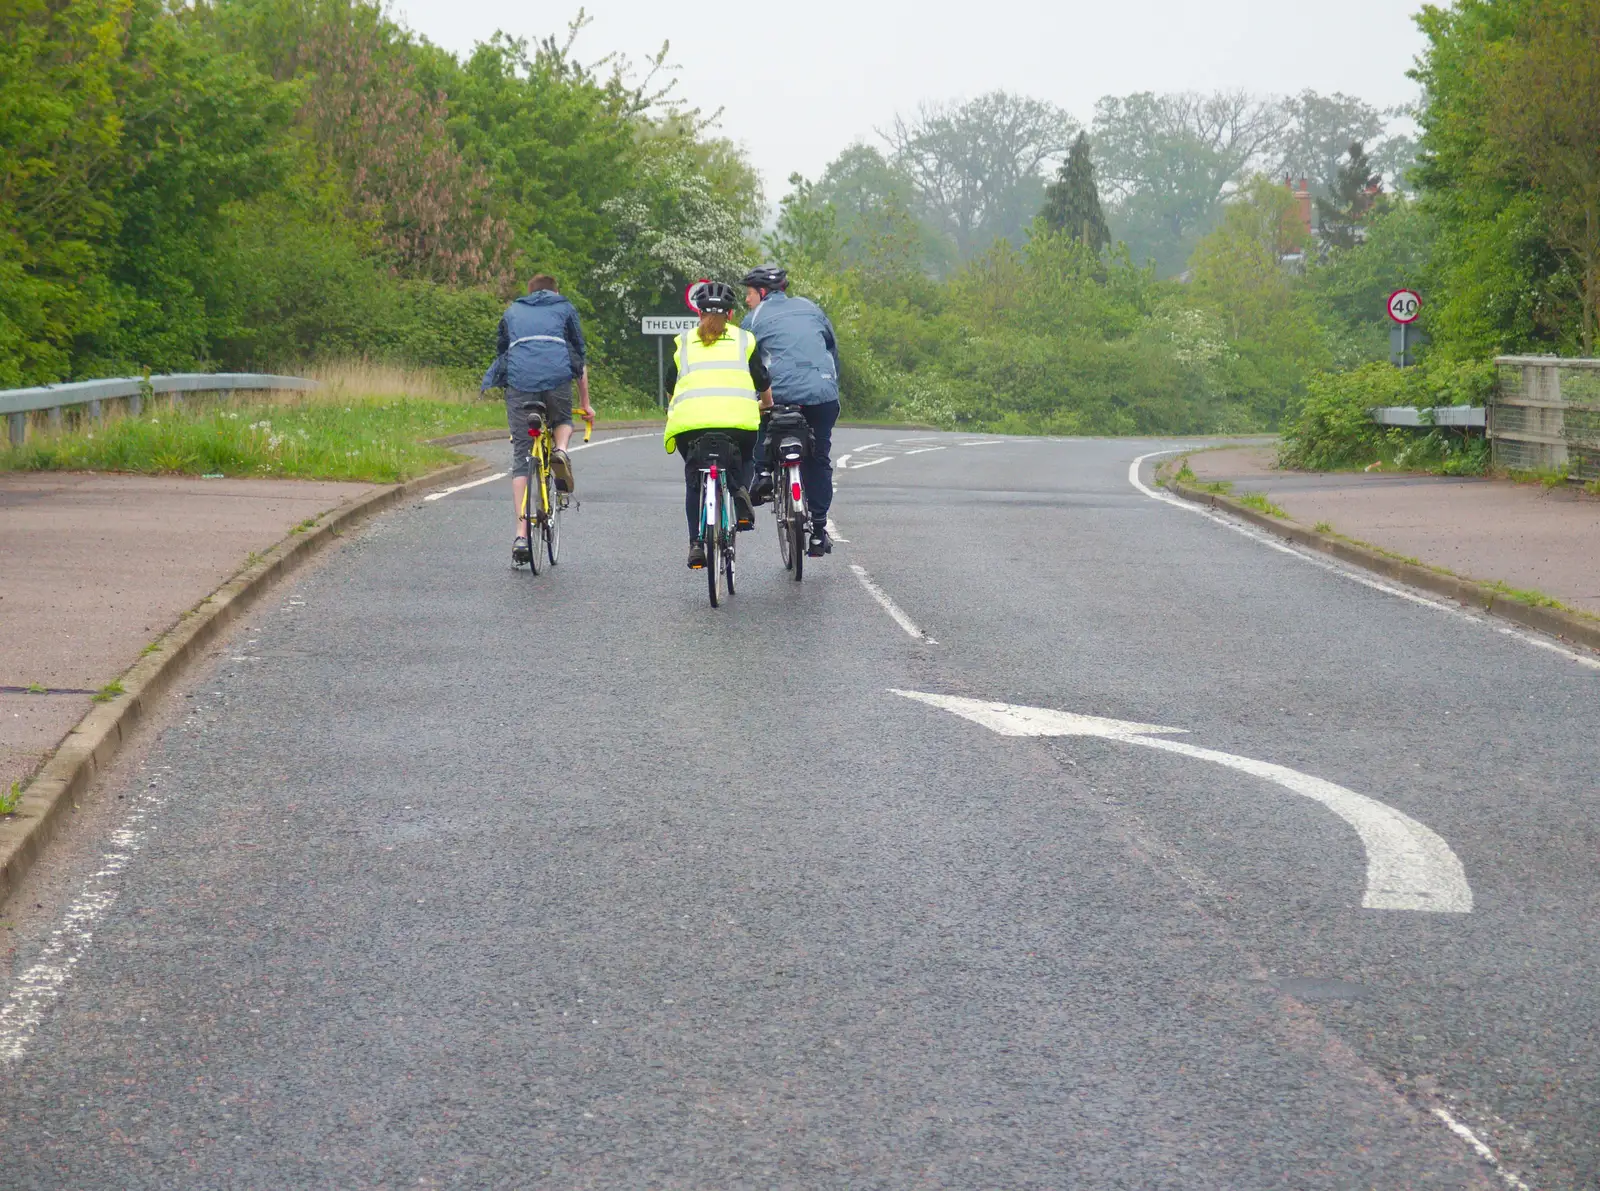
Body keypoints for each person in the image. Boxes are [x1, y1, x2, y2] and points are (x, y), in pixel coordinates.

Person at [481, 274, 594, 565]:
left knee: (521, 455)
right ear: (556, 291)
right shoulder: (565, 307)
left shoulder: (512, 310)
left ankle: (520, 534)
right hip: (556, 378)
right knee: (563, 420)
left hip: (520, 382)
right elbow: (578, 358)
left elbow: (502, 352)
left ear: (529, 293)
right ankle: (560, 452)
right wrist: (586, 404)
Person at [662, 281, 773, 570]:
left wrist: (676, 407)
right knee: (746, 456)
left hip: (690, 425)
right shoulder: (744, 340)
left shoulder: (684, 342)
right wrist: (766, 404)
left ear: (699, 314)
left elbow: (669, 385)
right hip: (738, 422)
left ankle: (696, 545)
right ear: (731, 315)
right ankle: (738, 493)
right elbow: (761, 379)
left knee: (694, 480)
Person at [741, 264, 840, 557]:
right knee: (818, 458)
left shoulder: (753, 318)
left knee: (761, 415)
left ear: (761, 292)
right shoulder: (811, 307)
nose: (746, 300)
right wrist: (831, 387)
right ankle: (819, 532)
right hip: (823, 393)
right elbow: (831, 350)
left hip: (781, 394)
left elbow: (749, 365)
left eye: (748, 293)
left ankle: (763, 474)